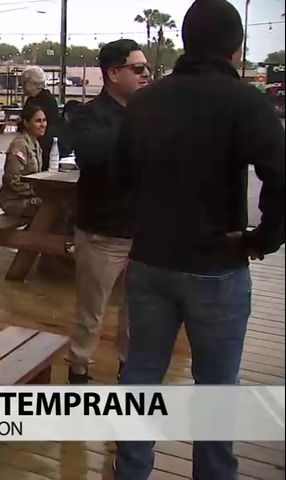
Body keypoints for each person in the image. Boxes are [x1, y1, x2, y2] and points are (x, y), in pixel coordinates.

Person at [114, 1, 285, 479]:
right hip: (218, 265)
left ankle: (130, 472)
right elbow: (281, 176)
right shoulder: (245, 101)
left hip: (150, 262)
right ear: (235, 47)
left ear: (186, 42)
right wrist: (264, 239)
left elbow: (121, 175)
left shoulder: (146, 100)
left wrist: (141, 227)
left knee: (141, 377)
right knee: (216, 388)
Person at [66, 39, 150, 385]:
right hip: (102, 232)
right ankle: (79, 368)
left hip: (143, 232)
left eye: (148, 69)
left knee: (137, 312)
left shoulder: (148, 112)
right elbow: (90, 154)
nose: (147, 75)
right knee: (92, 311)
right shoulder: (89, 114)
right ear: (113, 73)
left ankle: (127, 369)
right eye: (139, 68)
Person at [0, 103, 46, 218]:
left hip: (29, 197)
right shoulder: (20, 145)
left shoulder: (35, 143)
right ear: (26, 123)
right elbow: (14, 181)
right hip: (14, 202)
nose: (43, 125)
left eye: (44, 120)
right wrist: (38, 192)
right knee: (50, 211)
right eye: (38, 121)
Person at [21, 66, 60, 170]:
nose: (22, 86)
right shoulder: (33, 99)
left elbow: (50, 125)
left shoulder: (45, 99)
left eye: (24, 82)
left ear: (32, 83)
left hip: (43, 147)